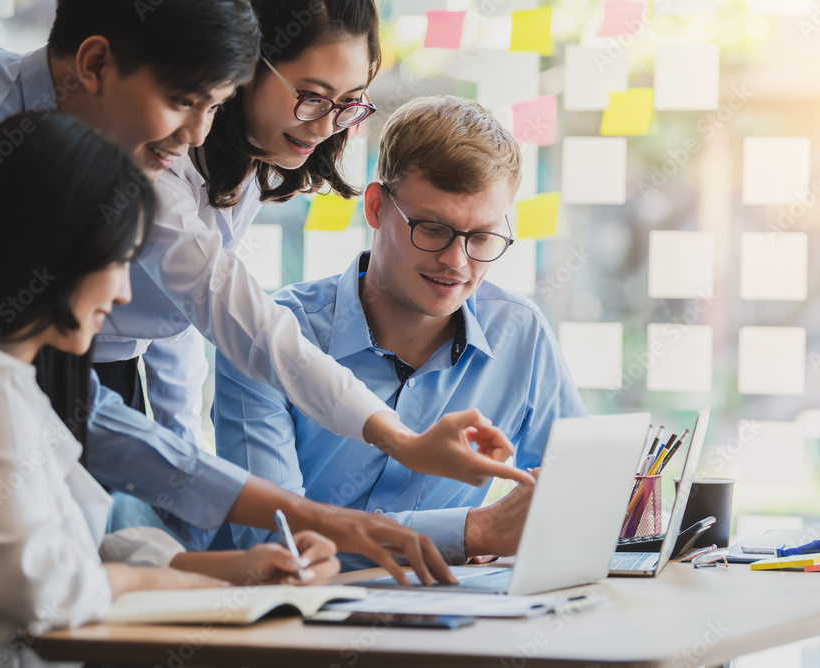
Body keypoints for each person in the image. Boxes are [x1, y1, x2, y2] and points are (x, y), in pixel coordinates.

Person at [0, 0, 521, 579]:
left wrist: (201, 549)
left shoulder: (189, 152)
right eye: (187, 101)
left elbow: (150, 363)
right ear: (95, 65)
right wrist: (394, 442)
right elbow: (37, 593)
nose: (195, 133)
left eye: (214, 104)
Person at [0, 112, 340, 668]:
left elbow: (87, 548)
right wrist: (155, 583)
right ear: (54, 248)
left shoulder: (11, 384)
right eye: (119, 262)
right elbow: (39, 594)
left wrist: (238, 572)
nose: (121, 294)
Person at [212, 95, 587, 567]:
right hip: (293, 627)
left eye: (482, 238)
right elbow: (274, 545)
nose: (456, 262)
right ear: (375, 207)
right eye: (432, 229)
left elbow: (577, 494)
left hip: (457, 624)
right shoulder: (268, 333)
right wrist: (472, 533)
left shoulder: (520, 333)